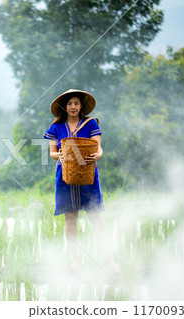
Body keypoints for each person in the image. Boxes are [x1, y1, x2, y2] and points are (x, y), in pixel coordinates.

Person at [43, 89, 119, 273]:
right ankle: (75, 261)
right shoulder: (56, 127)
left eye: (76, 103)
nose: (73, 107)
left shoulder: (91, 123)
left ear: (81, 105)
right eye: (70, 104)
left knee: (97, 218)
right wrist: (58, 154)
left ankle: (110, 261)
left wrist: (97, 156)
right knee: (70, 218)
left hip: (88, 175)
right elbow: (52, 153)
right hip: (65, 176)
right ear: (64, 106)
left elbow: (98, 148)